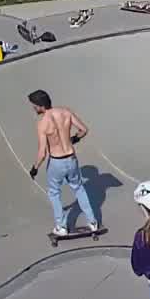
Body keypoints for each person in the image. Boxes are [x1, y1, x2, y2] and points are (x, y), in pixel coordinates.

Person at [29, 90, 98, 235]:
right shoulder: (65, 112)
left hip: (56, 162)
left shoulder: (42, 123)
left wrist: (34, 168)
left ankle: (61, 226)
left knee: (54, 193)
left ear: (41, 106)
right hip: (71, 158)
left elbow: (42, 153)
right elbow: (84, 130)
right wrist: (73, 139)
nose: (33, 109)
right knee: (79, 188)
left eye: (34, 106)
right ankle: (92, 222)